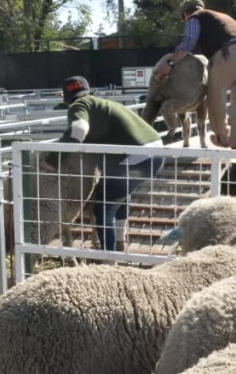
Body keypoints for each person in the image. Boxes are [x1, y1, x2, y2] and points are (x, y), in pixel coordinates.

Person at [56, 76, 164, 251]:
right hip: (155, 153)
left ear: (66, 100)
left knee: (103, 210)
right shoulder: (107, 104)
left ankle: (109, 259)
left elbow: (78, 130)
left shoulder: (80, 105)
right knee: (120, 195)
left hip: (135, 158)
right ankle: (120, 244)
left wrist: (53, 159)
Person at [155, 0, 236, 150]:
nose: (185, 22)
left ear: (185, 14)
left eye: (183, 19)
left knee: (215, 95)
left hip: (228, 52)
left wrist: (170, 63)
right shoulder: (221, 17)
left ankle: (221, 137)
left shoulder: (195, 17)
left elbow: (188, 43)